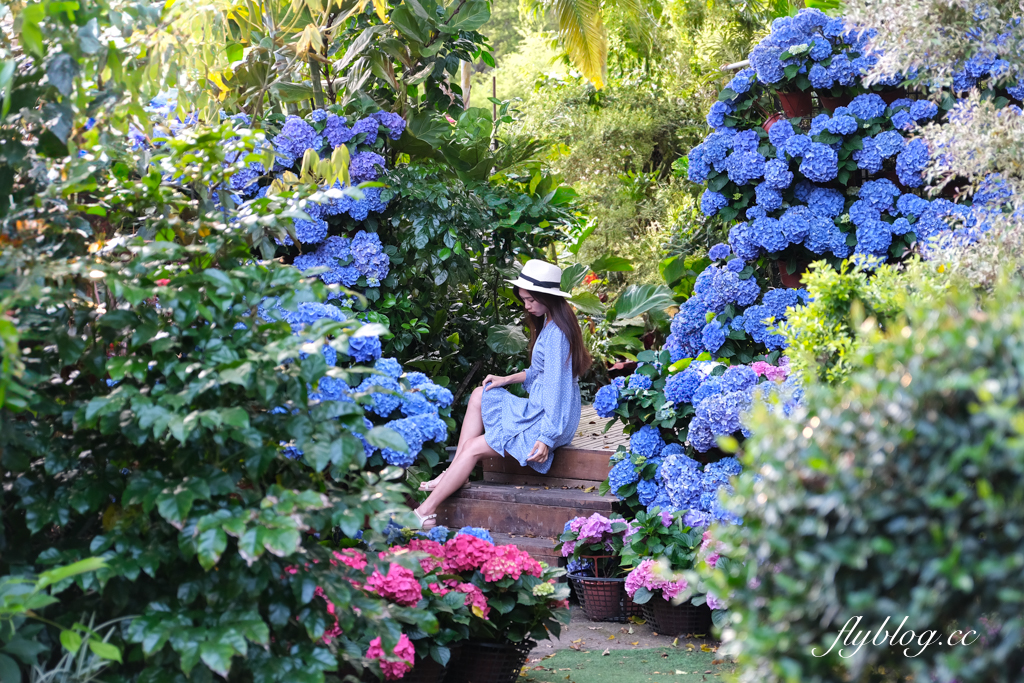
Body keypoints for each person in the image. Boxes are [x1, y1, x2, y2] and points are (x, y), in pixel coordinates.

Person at [413, 259, 593, 529]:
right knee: (480, 394)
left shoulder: (556, 334)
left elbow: (557, 390)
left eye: (531, 299)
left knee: (474, 448)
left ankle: (424, 512)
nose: (526, 306)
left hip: (549, 419)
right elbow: (539, 373)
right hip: (544, 410)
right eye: (524, 299)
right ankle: (455, 474)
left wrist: (546, 437)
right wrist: (506, 379)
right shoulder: (551, 323)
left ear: (547, 297)